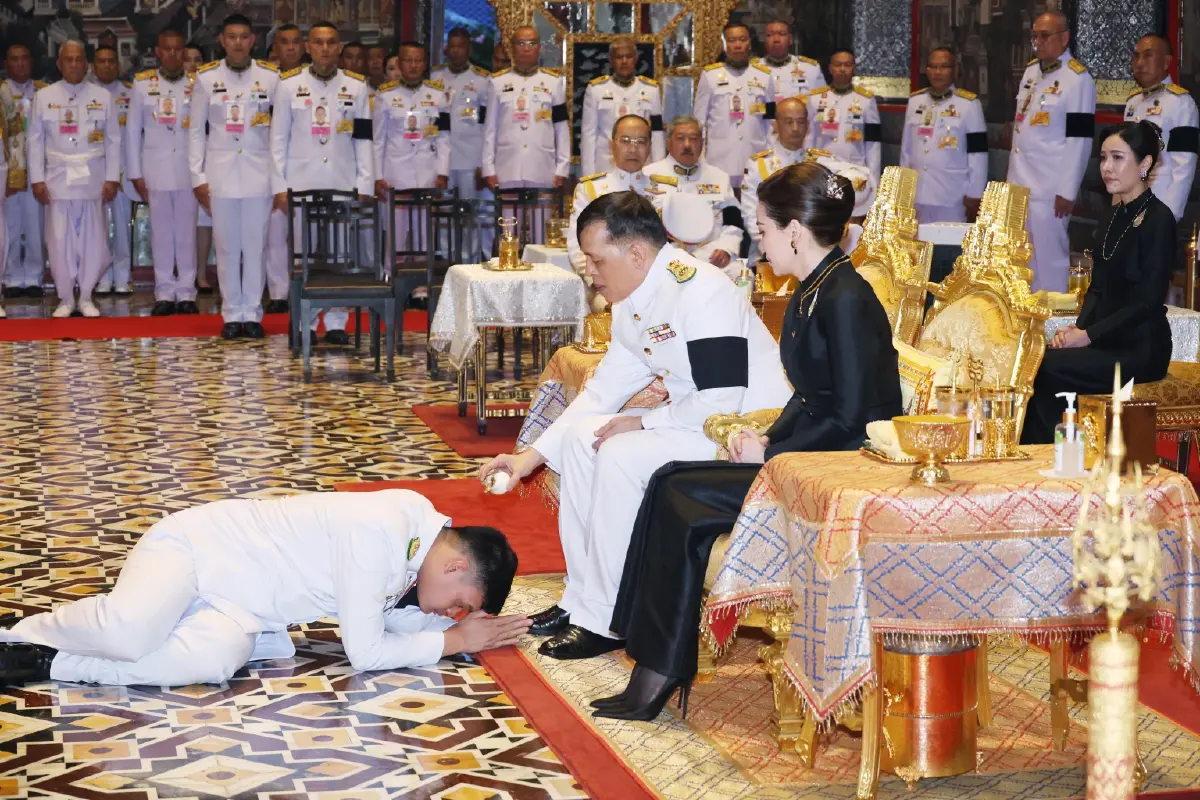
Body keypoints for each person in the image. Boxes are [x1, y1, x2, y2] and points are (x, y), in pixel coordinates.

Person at [593, 162, 902, 720]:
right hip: (805, 453)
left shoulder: (846, 298)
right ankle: (655, 656)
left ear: (793, 229)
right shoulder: (814, 289)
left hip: (841, 472)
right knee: (668, 483)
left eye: (763, 227)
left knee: (680, 498)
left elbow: (855, 418)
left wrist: (775, 455)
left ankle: (661, 668)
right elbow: (810, 398)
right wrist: (767, 434)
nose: (759, 239)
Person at [478, 191, 790, 661]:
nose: (590, 272)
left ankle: (609, 621)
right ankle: (582, 601)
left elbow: (721, 399)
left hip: (745, 434)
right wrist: (527, 459)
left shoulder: (703, 290)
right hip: (694, 421)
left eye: (596, 260)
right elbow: (600, 393)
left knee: (619, 453)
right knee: (587, 438)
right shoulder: (633, 299)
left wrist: (643, 421)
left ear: (636, 253)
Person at [0, 490, 528, 687]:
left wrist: (458, 632)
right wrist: (456, 641)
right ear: (456, 567)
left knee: (210, 664)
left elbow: (392, 614)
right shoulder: (382, 527)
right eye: (460, 605)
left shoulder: (419, 546)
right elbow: (365, 652)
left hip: (242, 607)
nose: (449, 613)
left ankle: (54, 664)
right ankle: (20, 633)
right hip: (197, 550)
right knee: (129, 632)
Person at [1022, 121, 1174, 444]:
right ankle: (1049, 452)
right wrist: (1076, 331)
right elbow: (1097, 288)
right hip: (1106, 339)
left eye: (1117, 158)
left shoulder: (1160, 220)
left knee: (1047, 369)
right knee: (1036, 361)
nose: (1106, 167)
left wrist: (1088, 336)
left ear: (1144, 164)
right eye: (1103, 158)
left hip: (1141, 346)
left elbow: (1146, 302)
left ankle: (1053, 453)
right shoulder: (1111, 215)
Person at [271, 21, 374, 347]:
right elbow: (278, 140)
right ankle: (303, 322)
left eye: (331, 42)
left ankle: (335, 322)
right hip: (301, 186)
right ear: (308, 47)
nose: (325, 48)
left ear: (339, 47)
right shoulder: (288, 85)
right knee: (303, 257)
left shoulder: (356, 87)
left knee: (341, 256)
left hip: (342, 183)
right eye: (318, 42)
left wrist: (365, 185)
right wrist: (280, 186)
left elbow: (364, 140)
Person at [189, 14, 281, 339]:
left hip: (259, 175)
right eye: (232, 37)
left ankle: (252, 313)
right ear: (222, 41)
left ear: (253, 40)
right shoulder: (205, 78)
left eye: (244, 36)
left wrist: (278, 179)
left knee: (255, 247)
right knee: (226, 247)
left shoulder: (271, 78)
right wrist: (197, 177)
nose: (238, 43)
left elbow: (278, 134)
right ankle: (231, 314)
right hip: (220, 176)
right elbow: (197, 133)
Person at [29, 40, 121, 319]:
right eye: (68, 59)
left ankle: (87, 296)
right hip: (57, 178)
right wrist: (37, 179)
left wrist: (112, 177)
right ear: (59, 63)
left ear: (86, 63)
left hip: (93, 177)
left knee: (93, 240)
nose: (73, 64)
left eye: (79, 59)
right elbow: (35, 141)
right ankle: (66, 298)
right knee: (59, 240)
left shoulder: (102, 96)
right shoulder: (44, 97)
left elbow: (114, 140)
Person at [1007, 11, 1096, 293]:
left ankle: (1055, 325)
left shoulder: (1077, 79)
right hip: (1020, 182)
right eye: (1034, 36)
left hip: (1050, 188)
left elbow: (1079, 140)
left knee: (1050, 260)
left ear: (1064, 38)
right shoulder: (1032, 72)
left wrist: (1067, 190)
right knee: (1020, 258)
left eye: (1044, 36)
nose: (1037, 42)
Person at [741, 97, 873, 263]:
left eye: (801, 122)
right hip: (769, 256)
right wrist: (779, 248)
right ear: (775, 125)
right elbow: (751, 216)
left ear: (808, 125)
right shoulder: (759, 165)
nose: (795, 128)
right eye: (789, 122)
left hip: (815, 256)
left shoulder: (823, 163)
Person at [128, 30, 200, 317]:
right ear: (158, 51)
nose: (172, 55)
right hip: (155, 169)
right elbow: (133, 131)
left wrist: (201, 171)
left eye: (177, 50)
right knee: (160, 234)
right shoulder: (143, 85)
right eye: (167, 50)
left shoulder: (197, 85)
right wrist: (135, 173)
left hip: (187, 169)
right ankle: (164, 292)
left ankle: (186, 292)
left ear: (184, 52)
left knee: (186, 234)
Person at [374, 40, 450, 303]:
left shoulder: (438, 95)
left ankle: (421, 289)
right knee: (394, 233)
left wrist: (443, 171)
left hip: (427, 173)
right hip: (395, 174)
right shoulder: (385, 96)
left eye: (418, 60)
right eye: (408, 60)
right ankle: (391, 282)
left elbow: (444, 137)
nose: (414, 65)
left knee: (423, 234)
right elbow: (378, 140)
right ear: (400, 63)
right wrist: (377, 176)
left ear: (425, 62)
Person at [642, 116, 742, 275]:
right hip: (666, 258)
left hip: (711, 257)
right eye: (681, 139)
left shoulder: (719, 177)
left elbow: (734, 221)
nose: (687, 145)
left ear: (702, 143)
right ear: (669, 143)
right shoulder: (648, 176)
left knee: (741, 274)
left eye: (694, 139)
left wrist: (726, 247)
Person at [900, 47, 987, 224]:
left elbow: (978, 154)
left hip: (951, 195)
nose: (937, 72)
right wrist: (904, 188)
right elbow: (906, 150)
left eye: (944, 66)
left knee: (949, 248)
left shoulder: (969, 105)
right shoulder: (916, 101)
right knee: (918, 247)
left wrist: (975, 193)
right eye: (932, 66)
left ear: (955, 71)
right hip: (918, 193)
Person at [482, 26, 569, 193]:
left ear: (539, 48)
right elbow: (490, 130)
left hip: (542, 166)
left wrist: (562, 168)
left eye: (531, 43)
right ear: (512, 48)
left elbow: (561, 128)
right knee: (508, 219)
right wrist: (488, 168)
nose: (526, 48)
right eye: (521, 43)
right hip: (507, 167)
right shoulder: (497, 82)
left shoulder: (553, 82)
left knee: (541, 218)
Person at [432, 28, 494, 261]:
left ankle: (472, 257)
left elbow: (487, 125)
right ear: (446, 48)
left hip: (471, 157)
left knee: (471, 211)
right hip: (442, 158)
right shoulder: (435, 78)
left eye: (461, 46)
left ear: (469, 49)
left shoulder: (482, 80)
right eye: (452, 45)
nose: (456, 50)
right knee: (445, 211)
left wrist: (483, 164)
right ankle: (447, 256)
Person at [567, 114, 652, 278]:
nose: (633, 149)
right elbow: (576, 244)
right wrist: (600, 282)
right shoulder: (591, 189)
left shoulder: (664, 190)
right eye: (625, 141)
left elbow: (674, 247)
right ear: (612, 145)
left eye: (641, 142)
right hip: (606, 282)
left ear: (649, 147)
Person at [1124, 34, 1197, 221]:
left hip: (1159, 204)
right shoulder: (1132, 103)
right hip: (1128, 204)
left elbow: (1184, 165)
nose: (1139, 63)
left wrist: (1170, 214)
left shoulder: (1181, 103)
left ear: (1166, 62)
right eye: (1136, 56)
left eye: (1148, 56)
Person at [692, 23, 773, 188]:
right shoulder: (710, 76)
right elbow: (699, 122)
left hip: (754, 158)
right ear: (724, 45)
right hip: (719, 161)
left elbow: (770, 122)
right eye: (732, 40)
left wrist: (771, 159)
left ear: (749, 44)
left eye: (742, 39)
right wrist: (700, 161)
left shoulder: (764, 76)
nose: (737, 45)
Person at [263, 23, 305, 314]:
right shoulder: (262, 80)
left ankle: (305, 288)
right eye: (283, 43)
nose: (290, 48)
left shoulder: (310, 80)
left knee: (305, 236)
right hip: (267, 166)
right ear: (274, 48)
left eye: (295, 42)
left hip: (304, 166)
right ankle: (278, 293)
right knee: (274, 234)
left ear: (304, 47)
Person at [1, 44, 47, 299]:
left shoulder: (44, 91)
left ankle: (34, 277)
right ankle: (10, 277)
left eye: (24, 59)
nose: (19, 64)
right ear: (6, 63)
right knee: (9, 225)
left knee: (34, 224)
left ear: (31, 61)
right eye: (14, 60)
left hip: (37, 169)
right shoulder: (1, 92)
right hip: (7, 170)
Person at [580, 37, 664, 176]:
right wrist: (588, 175)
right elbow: (588, 135)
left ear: (635, 59)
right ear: (611, 60)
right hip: (607, 167)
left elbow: (657, 133)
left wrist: (658, 172)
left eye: (628, 56)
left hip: (642, 167)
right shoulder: (596, 89)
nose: (624, 61)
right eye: (619, 57)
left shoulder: (651, 90)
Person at [92, 45, 135, 297]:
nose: (107, 66)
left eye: (111, 61)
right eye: (101, 61)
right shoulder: (87, 94)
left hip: (123, 172)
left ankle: (122, 276)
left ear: (118, 66)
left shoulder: (130, 93)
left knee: (122, 227)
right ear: (93, 65)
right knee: (97, 229)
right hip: (96, 171)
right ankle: (100, 277)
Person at [803, 49, 881, 184]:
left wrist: (873, 179)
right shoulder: (815, 99)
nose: (842, 69)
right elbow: (809, 138)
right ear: (830, 69)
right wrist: (806, 170)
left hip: (855, 170)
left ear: (854, 69)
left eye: (847, 65)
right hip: (822, 170)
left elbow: (873, 144)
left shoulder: (866, 100)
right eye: (838, 65)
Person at [184, 42, 214, 295]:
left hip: (210, 159)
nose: (192, 64)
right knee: (186, 223)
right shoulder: (169, 89)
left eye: (198, 59)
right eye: (188, 59)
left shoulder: (210, 86)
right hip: (178, 162)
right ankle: (185, 273)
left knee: (206, 221)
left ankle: (202, 274)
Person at [754, 19, 822, 101]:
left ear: (790, 39)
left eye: (782, 34)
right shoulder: (753, 69)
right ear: (765, 40)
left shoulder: (810, 68)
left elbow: (822, 104)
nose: (776, 39)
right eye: (770, 35)